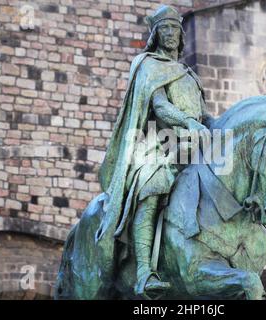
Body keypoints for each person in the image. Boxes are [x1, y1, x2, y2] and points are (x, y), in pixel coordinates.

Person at [96, 5, 214, 299]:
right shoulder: (148, 65)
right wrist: (187, 122)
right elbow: (159, 106)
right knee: (153, 184)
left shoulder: (189, 75)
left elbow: (205, 116)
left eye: (175, 28)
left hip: (193, 145)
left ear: (181, 34)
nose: (171, 34)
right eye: (165, 28)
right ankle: (144, 273)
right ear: (156, 34)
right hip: (156, 143)